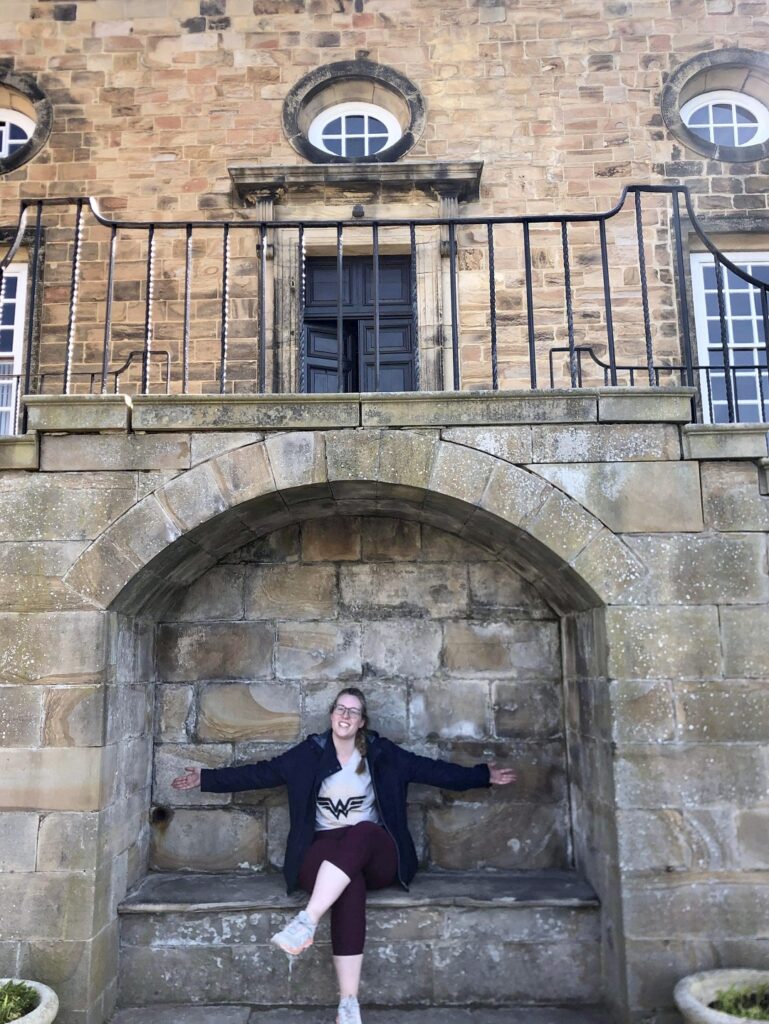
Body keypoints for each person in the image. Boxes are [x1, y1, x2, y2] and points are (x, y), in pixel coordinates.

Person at [172, 686, 516, 1024]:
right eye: (340, 708)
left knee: (363, 831)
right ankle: (348, 1005)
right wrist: (206, 778)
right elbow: (259, 773)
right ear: (331, 715)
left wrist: (482, 775)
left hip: (375, 853)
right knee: (349, 884)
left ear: (362, 721)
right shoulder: (309, 754)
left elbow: (433, 770)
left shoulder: (382, 755)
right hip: (322, 855)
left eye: (353, 711)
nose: (346, 715)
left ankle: (307, 921)